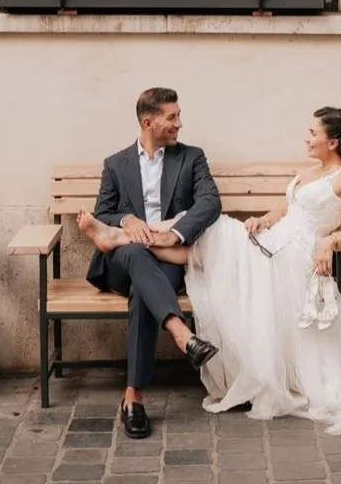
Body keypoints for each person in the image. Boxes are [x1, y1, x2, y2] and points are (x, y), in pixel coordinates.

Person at [77, 106, 341, 439]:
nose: (307, 137)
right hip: (274, 239)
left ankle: (120, 237)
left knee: (211, 234)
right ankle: (123, 237)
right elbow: (288, 211)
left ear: (334, 142)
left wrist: (331, 242)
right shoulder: (309, 172)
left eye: (314, 133)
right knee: (214, 239)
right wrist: (262, 218)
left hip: (294, 254)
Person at [82, 87, 220, 440]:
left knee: (144, 288)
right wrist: (127, 220)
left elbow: (210, 202)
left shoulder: (192, 158)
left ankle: (134, 398)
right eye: (172, 117)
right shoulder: (116, 164)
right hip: (120, 263)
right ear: (149, 121)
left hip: (165, 257)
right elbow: (104, 212)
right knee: (132, 253)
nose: (179, 123)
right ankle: (182, 334)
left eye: (178, 115)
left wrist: (173, 236)